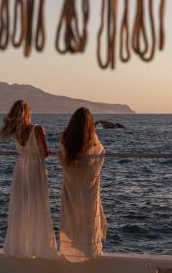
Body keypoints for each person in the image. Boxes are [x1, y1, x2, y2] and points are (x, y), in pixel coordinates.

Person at [0, 100, 57, 258]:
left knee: (21, 204)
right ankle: (38, 247)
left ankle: (19, 246)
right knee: (37, 204)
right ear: (27, 113)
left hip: (20, 167)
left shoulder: (16, 131)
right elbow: (44, 153)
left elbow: (6, 119)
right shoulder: (37, 129)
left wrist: (12, 117)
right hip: (34, 167)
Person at [58, 107, 106, 263]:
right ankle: (88, 249)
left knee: (72, 217)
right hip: (88, 190)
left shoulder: (64, 139)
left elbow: (62, 157)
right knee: (88, 217)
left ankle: (71, 250)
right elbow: (100, 154)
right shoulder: (93, 142)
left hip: (70, 188)